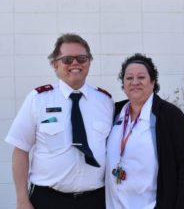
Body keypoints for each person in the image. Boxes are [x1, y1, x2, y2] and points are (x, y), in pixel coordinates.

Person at [5, 33, 114, 209]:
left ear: (89, 62)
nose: (75, 63)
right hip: (48, 199)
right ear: (55, 64)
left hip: (95, 200)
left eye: (82, 58)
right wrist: (22, 200)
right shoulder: (38, 99)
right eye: (67, 59)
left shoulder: (105, 102)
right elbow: (20, 150)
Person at [105, 53, 184, 209]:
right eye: (129, 78)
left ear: (153, 81)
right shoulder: (114, 112)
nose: (134, 82)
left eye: (141, 77)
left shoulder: (170, 116)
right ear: (123, 84)